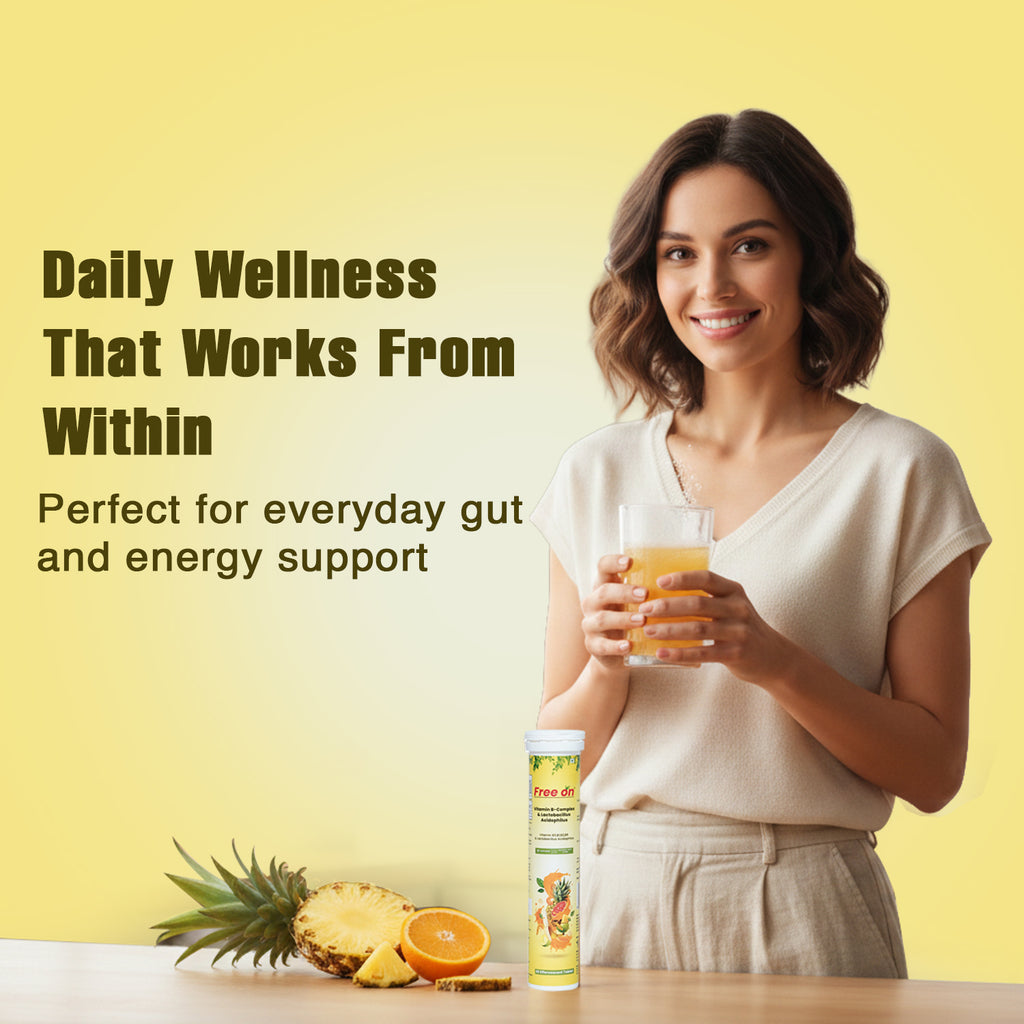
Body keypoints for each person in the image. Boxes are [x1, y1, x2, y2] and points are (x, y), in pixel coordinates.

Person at [530, 110, 990, 978]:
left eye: (749, 246)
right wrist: (606, 667)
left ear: (810, 255)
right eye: (678, 252)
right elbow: (553, 767)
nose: (713, 285)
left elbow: (934, 772)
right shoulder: (595, 472)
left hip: (804, 903)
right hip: (610, 891)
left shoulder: (900, 470)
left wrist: (772, 659)